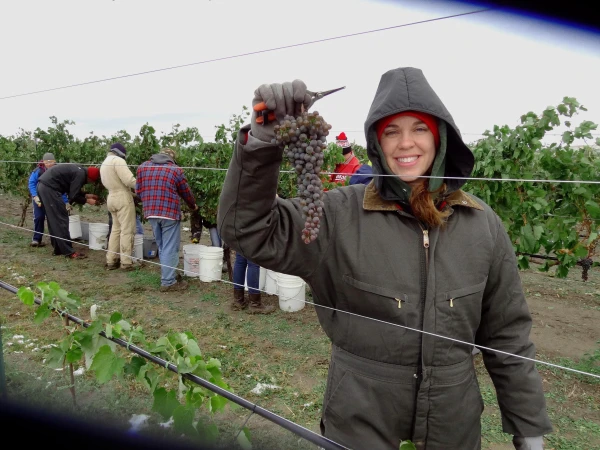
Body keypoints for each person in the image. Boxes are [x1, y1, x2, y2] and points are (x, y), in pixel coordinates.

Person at [217, 69, 552, 450]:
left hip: (454, 430)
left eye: (419, 129)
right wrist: (261, 140)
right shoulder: (338, 216)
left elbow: (507, 334)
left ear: (440, 137)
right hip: (359, 429)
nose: (405, 143)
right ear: (376, 142)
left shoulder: (482, 226)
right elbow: (246, 230)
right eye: (391, 131)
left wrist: (528, 428)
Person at [136, 148, 198, 292]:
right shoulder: (175, 170)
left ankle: (169, 273)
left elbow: (138, 191)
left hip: (151, 212)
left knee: (162, 246)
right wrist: (192, 205)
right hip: (169, 213)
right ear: (171, 158)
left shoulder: (142, 167)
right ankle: (168, 281)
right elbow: (185, 192)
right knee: (170, 246)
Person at [38, 164, 100, 258]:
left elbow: (72, 190)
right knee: (61, 220)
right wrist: (87, 200)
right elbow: (73, 196)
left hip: (43, 187)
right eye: (91, 182)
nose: (90, 183)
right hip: (50, 190)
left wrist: (86, 195)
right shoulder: (80, 174)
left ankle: (58, 249)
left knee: (54, 220)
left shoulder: (79, 170)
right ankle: (69, 252)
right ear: (90, 178)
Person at [100, 142, 138, 271]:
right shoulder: (118, 161)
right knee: (127, 230)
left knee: (115, 230)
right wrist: (143, 186)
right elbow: (129, 180)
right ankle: (126, 262)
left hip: (111, 197)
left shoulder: (105, 162)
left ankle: (111, 260)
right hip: (122, 197)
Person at [28, 153, 68, 247]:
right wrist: (35, 196)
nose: (49, 164)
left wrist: (66, 202)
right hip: (39, 199)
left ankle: (56, 240)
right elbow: (31, 183)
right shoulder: (38, 171)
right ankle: (36, 239)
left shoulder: (58, 171)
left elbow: (61, 188)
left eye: (51, 162)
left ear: (55, 162)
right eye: (47, 162)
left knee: (53, 219)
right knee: (39, 217)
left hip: (52, 199)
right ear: (43, 162)